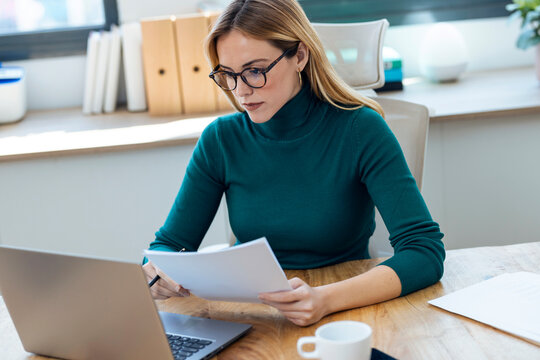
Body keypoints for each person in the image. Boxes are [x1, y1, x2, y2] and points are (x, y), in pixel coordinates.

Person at [143, 0, 445, 327]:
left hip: (346, 310)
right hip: (255, 317)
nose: (240, 90)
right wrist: (155, 271)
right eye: (228, 74)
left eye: (255, 71)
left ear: (299, 55)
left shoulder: (360, 129)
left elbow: (424, 251)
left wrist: (324, 299)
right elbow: (169, 246)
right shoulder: (220, 140)